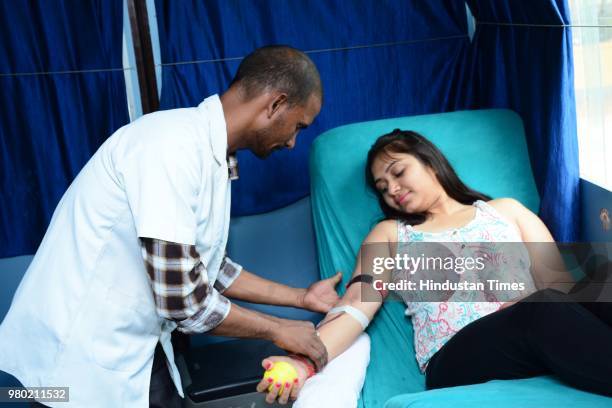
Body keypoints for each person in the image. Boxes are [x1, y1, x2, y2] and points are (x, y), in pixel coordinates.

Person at [0, 45, 343, 408]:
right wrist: (279, 327)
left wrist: (300, 297)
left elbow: (208, 268)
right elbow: (184, 301)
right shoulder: (169, 146)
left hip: (132, 347)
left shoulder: (211, 154)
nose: (293, 142)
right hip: (80, 354)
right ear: (275, 104)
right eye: (298, 126)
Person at [257, 129, 612, 406]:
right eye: (382, 188)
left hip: (532, 330)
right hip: (459, 355)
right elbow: (356, 306)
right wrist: (305, 362)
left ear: (429, 161)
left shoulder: (507, 211)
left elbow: (559, 287)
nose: (392, 189)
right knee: (541, 312)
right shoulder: (391, 234)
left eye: (398, 172)